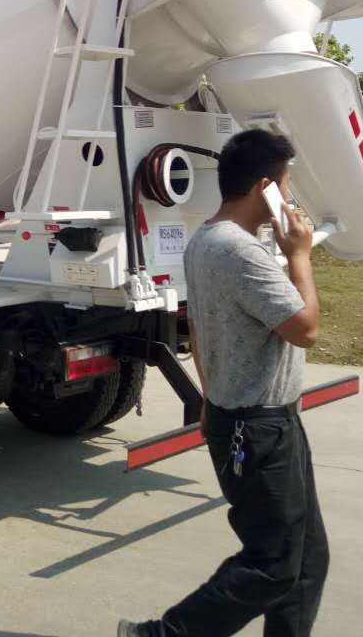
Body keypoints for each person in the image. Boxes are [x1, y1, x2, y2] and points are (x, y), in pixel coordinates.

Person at [119, 129, 327, 637]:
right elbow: (306, 329)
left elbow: (203, 331)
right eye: (286, 186)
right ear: (265, 188)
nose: (291, 199)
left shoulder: (205, 240)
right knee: (273, 564)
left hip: (257, 419)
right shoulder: (240, 252)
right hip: (260, 429)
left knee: (305, 560)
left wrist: (210, 399)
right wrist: (300, 256)